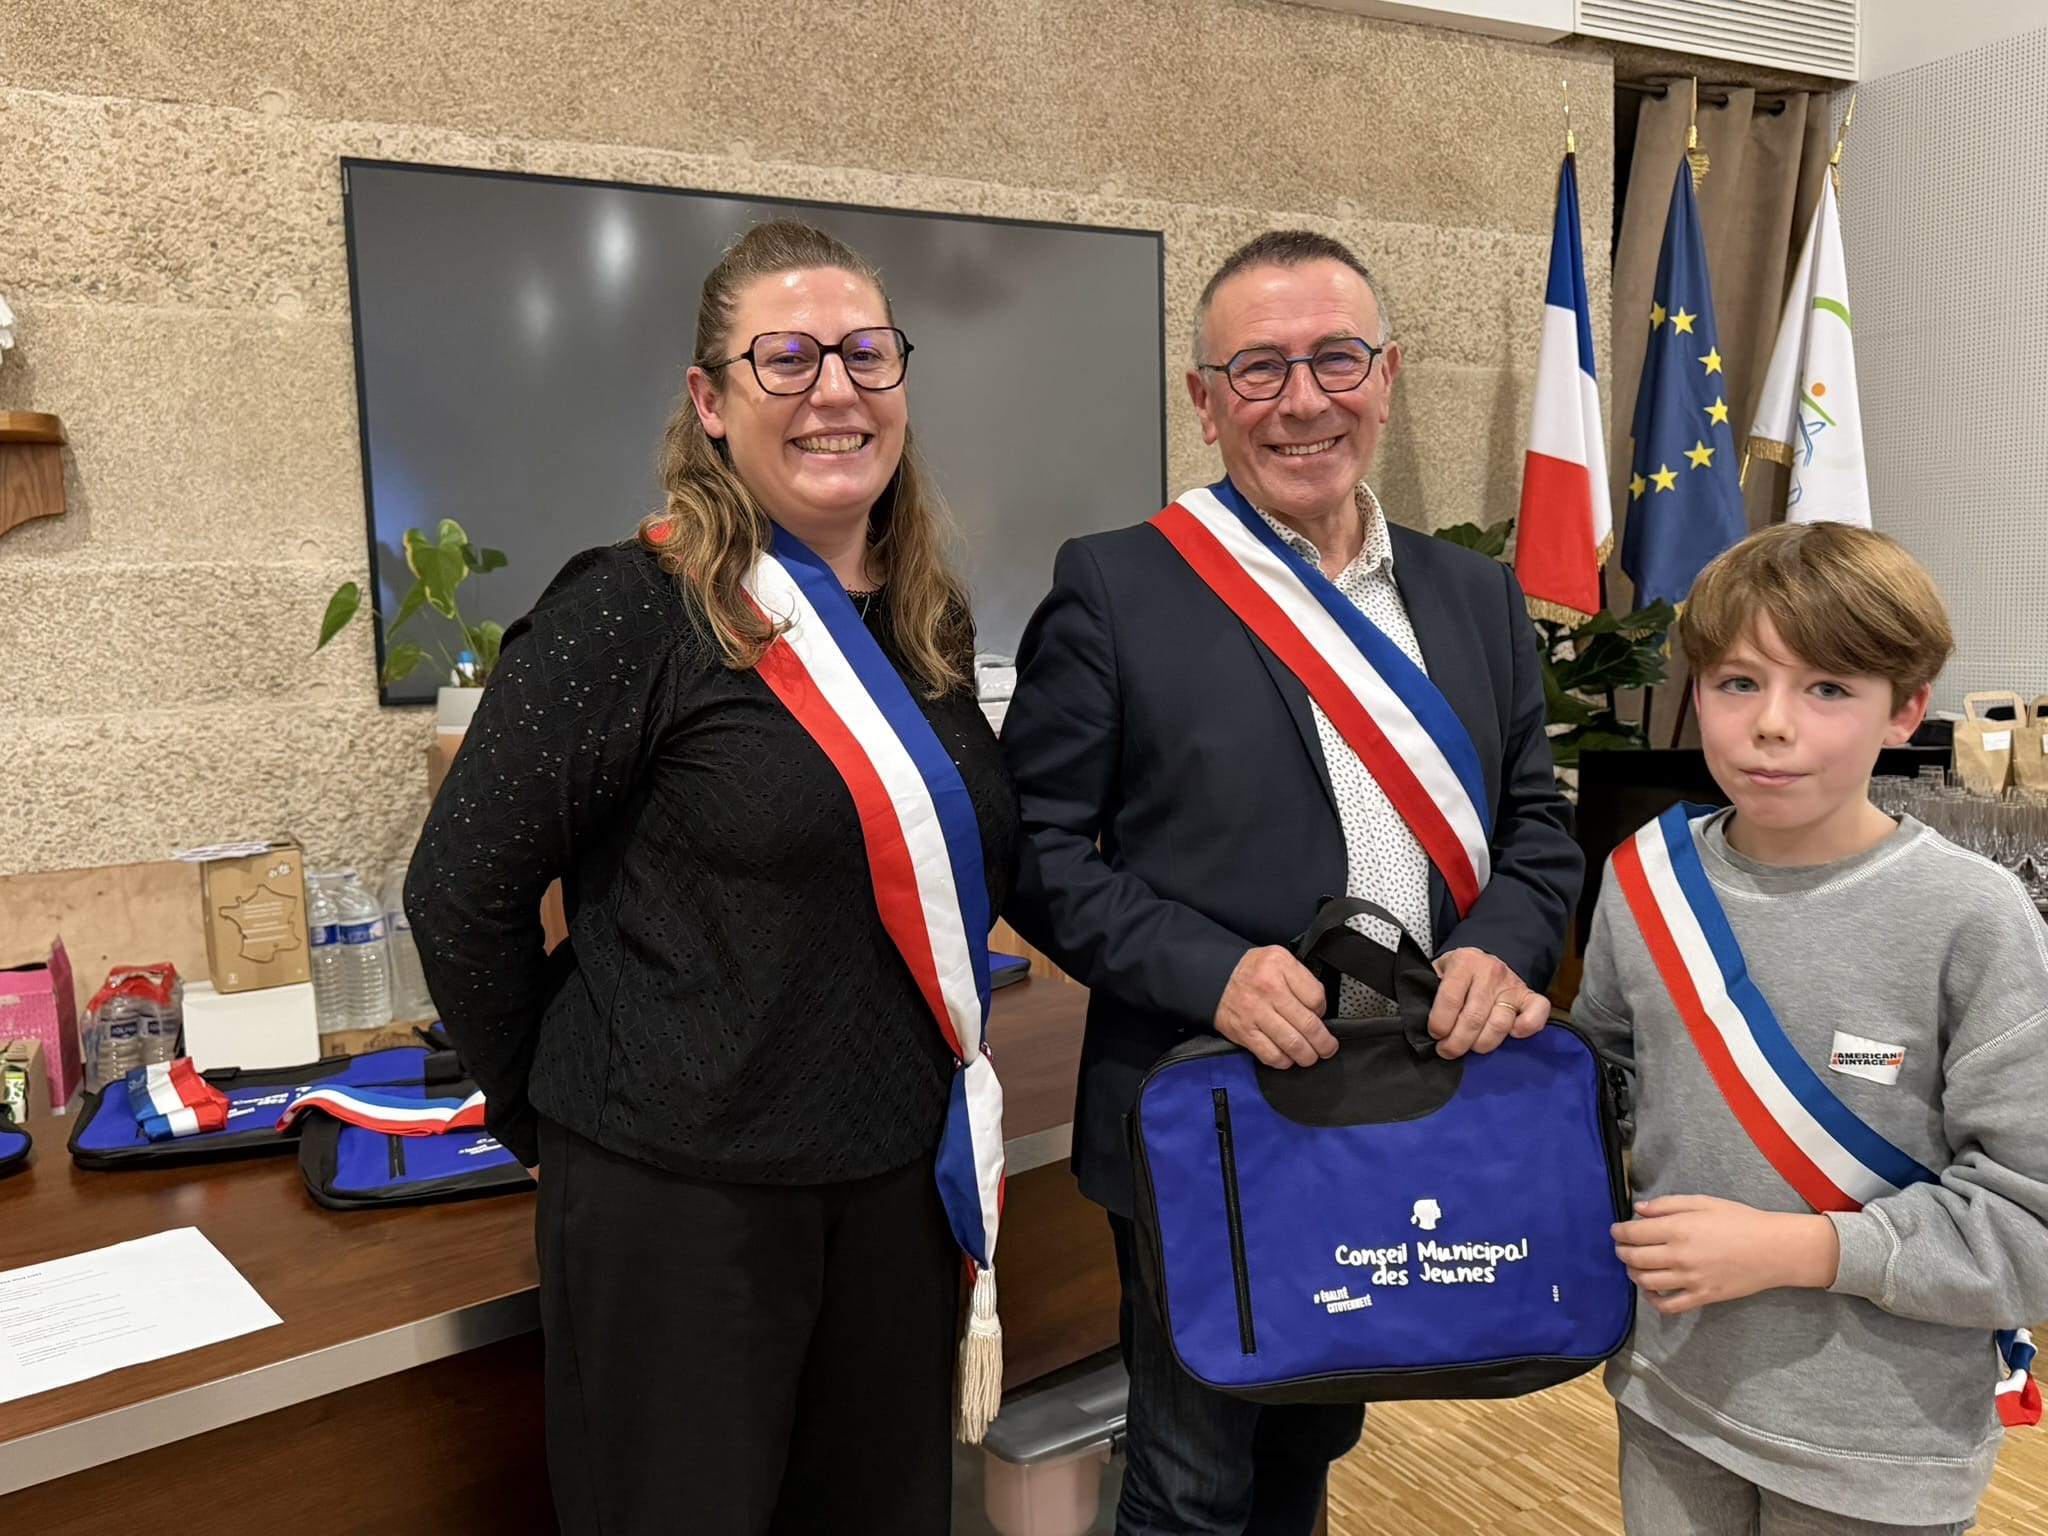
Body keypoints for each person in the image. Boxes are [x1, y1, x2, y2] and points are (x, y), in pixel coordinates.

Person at [405, 220, 1018, 1536]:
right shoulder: (633, 612)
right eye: (785, 359)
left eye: (866, 354)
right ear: (710, 400)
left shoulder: (927, 621)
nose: (835, 390)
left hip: (896, 1195)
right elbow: (459, 893)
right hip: (680, 1211)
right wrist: (554, 1119)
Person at [999, 229, 1583, 1534]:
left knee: (1311, 1443)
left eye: (1336, 359)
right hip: (1207, 1102)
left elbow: (1537, 825)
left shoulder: (1475, 597)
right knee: (1192, 1474)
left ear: (1387, 376)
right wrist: (1207, 969)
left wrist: (1500, 944)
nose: (1302, 400)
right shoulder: (1118, 586)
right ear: (1204, 400)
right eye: (1258, 369)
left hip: (1400, 1096)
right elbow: (1035, 846)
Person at [1574, 522, 2048, 1535]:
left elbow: (2032, 1229)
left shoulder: (1973, 919)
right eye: (1737, 683)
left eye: (1827, 688)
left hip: (1879, 1443)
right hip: (1669, 1398)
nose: (1770, 726)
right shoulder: (1640, 879)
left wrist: (1799, 1249)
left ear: (1905, 710)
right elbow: (1600, 1103)